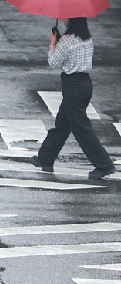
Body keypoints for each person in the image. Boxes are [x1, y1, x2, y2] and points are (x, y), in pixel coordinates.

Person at [30, 17, 116, 180]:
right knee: (63, 123)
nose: (63, 19)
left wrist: (53, 43)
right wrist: (60, 41)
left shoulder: (67, 41)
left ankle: (104, 165)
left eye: (66, 16)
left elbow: (54, 62)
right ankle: (45, 158)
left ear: (73, 19)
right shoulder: (86, 38)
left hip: (73, 86)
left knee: (81, 128)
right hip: (84, 84)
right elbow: (73, 55)